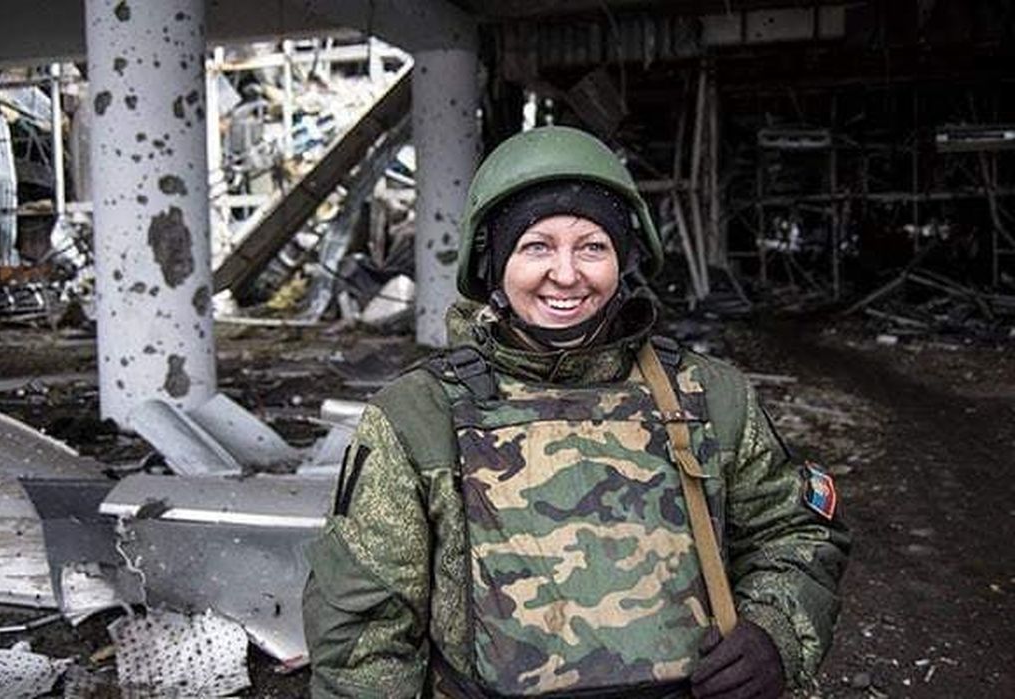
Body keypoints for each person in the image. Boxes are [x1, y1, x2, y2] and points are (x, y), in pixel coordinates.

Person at [303, 126, 850, 699]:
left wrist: (776, 630)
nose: (566, 275)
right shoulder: (417, 416)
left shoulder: (711, 395)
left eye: (592, 247)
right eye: (536, 246)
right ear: (493, 263)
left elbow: (794, 530)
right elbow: (365, 628)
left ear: (622, 260)